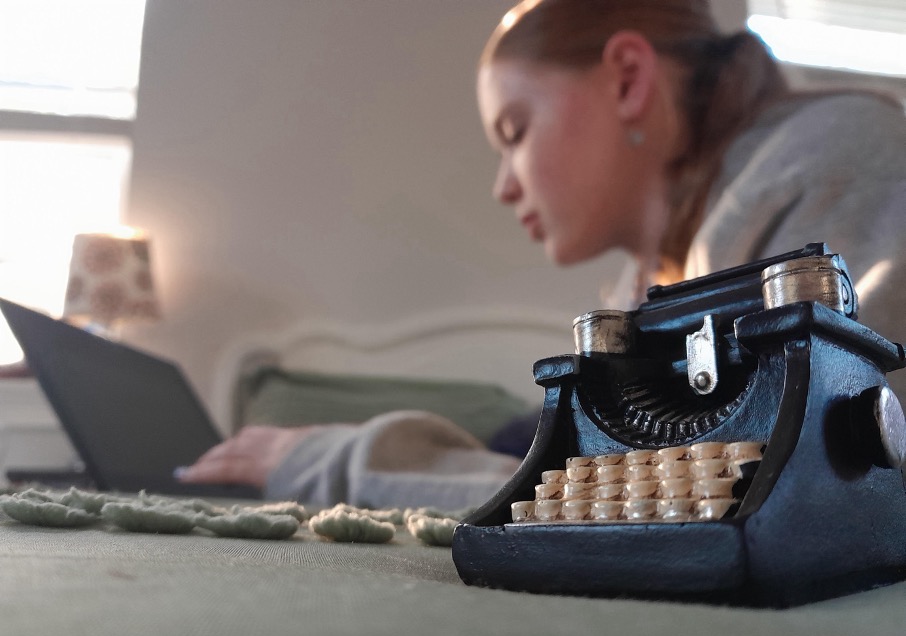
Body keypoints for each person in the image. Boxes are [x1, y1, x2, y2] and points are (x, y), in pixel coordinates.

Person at [178, 0, 906, 509]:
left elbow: (799, 483)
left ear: (627, 77)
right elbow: (584, 465)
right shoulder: (645, 286)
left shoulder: (841, 154)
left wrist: (340, 463)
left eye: (515, 130)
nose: (503, 186)